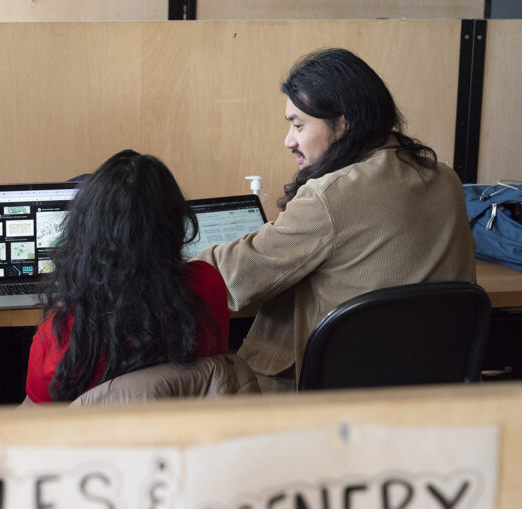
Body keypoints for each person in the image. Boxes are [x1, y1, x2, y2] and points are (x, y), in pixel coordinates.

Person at [197, 48, 476, 390]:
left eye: (298, 125)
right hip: (429, 392)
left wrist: (171, 255)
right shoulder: (446, 179)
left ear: (342, 123)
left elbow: (233, 278)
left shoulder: (329, 196)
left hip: (333, 399)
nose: (289, 140)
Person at [25, 149, 232, 404]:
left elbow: (39, 399)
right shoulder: (207, 284)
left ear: (85, 231)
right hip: (183, 437)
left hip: (94, 441)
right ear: (174, 223)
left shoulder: (71, 328)